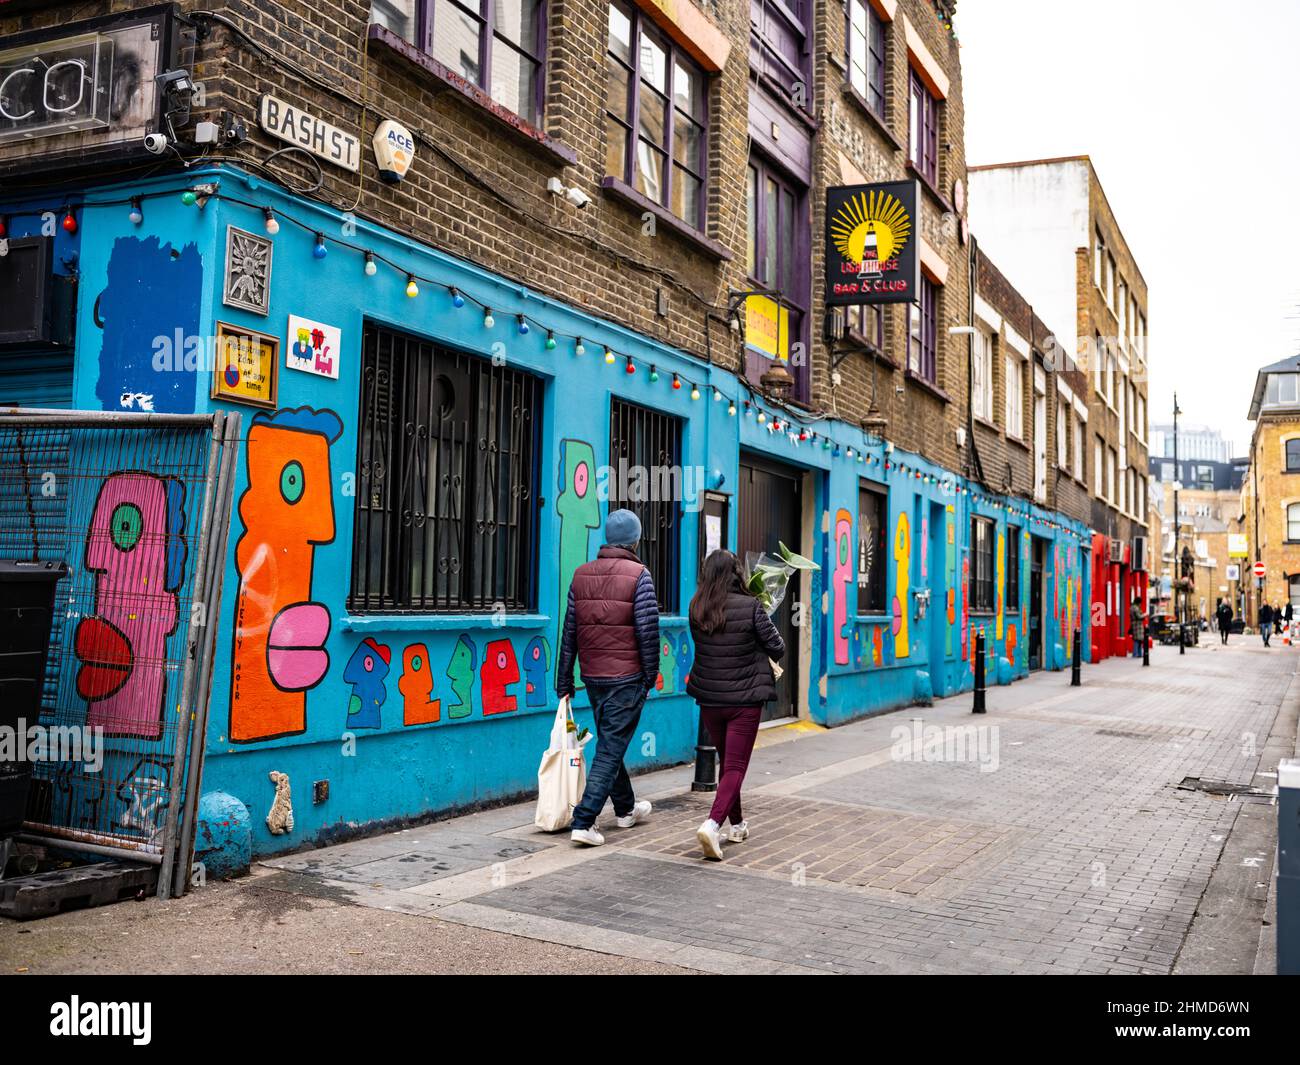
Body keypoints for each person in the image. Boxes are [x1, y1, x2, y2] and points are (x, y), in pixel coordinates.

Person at [555, 508, 660, 846]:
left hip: (593, 679)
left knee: (610, 746)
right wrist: (649, 677)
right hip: (626, 678)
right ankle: (584, 822)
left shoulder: (581, 574)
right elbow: (648, 632)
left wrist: (564, 679)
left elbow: (569, 631)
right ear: (635, 540)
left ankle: (626, 810)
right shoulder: (639, 574)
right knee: (611, 749)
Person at [685, 549, 785, 860]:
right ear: (736, 574)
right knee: (736, 766)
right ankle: (713, 824)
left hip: (711, 699)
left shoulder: (696, 608)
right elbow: (777, 647)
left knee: (728, 764)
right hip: (744, 700)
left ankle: (737, 824)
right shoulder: (752, 606)